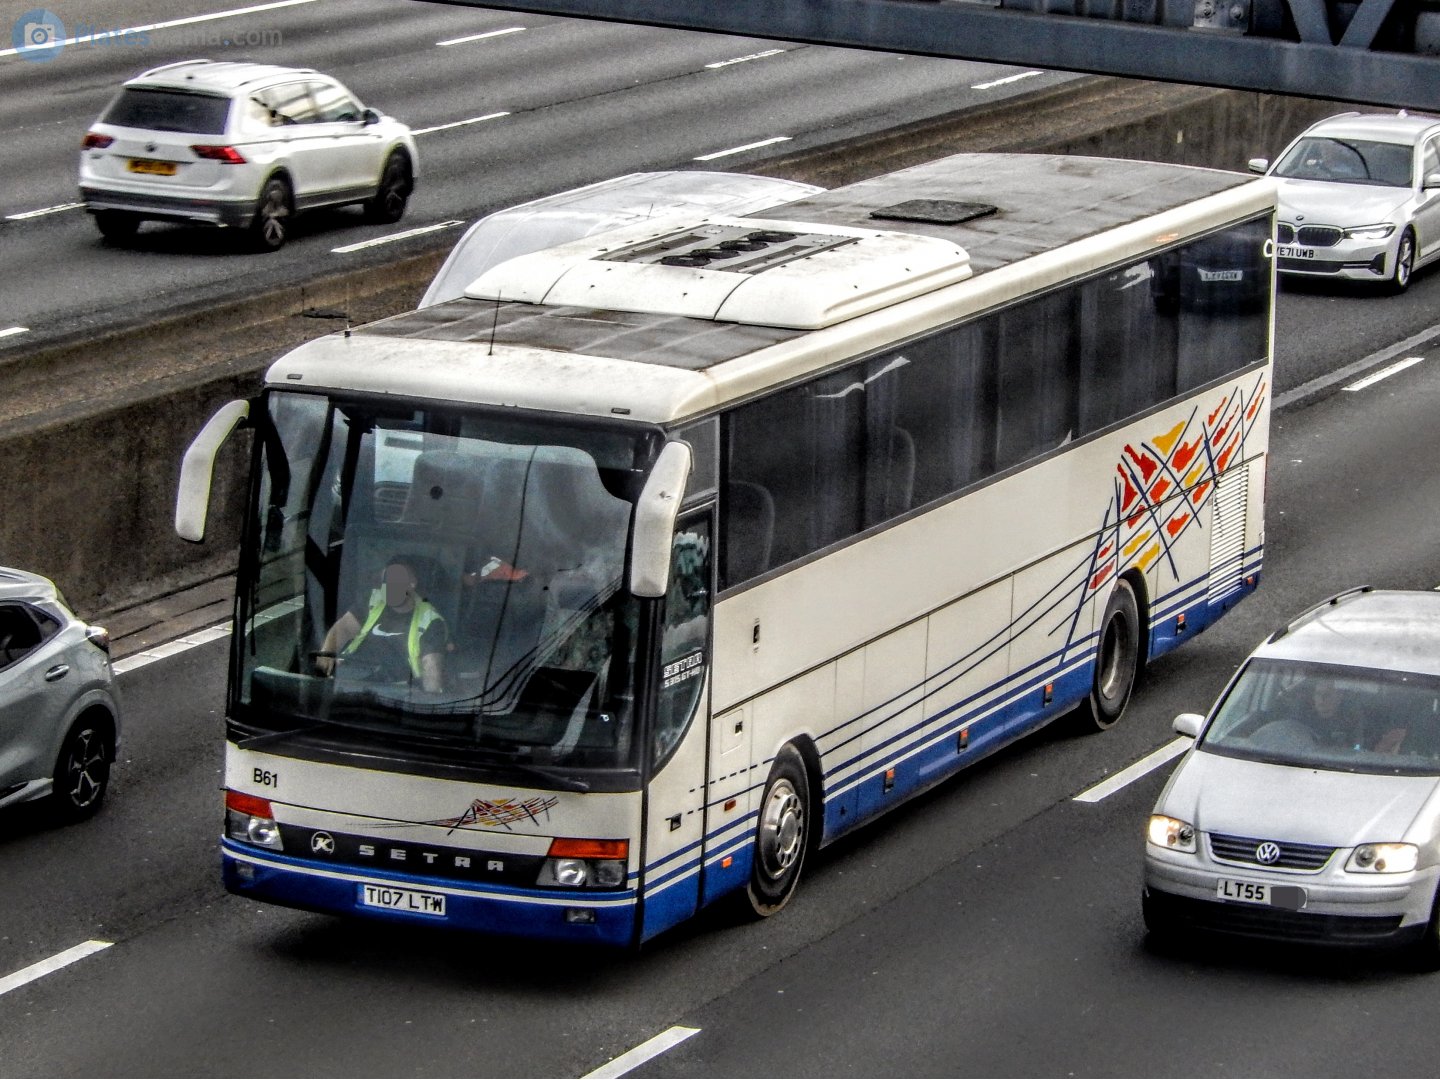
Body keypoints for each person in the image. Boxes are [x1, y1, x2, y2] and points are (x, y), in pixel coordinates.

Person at [316, 556, 447, 692]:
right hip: (351, 679)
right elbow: (344, 628)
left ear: (412, 583)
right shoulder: (372, 600)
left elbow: (432, 671)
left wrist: (429, 699)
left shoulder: (430, 620)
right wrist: (324, 662)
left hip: (395, 690)